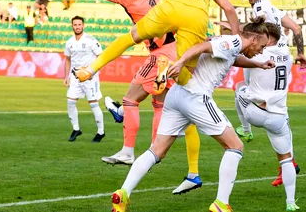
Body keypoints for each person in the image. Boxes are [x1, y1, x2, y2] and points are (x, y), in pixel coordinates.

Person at [54, 0, 240, 195]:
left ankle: (131, 151)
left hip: (162, 53)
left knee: (133, 98)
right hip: (185, 44)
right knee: (175, 103)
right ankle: (192, 172)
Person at [111, 19, 274, 212]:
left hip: (177, 95)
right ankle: (221, 204)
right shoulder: (234, 42)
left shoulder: (231, 46)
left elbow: (232, 58)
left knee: (157, 150)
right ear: (254, 39)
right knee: (235, 146)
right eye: (262, 46)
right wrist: (179, 63)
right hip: (196, 97)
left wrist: (258, 64)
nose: (261, 51)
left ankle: (123, 194)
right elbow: (201, 47)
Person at [231, 0, 306, 188]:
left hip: (265, 54)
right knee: (279, 112)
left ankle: (246, 131)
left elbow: (260, 17)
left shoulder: (262, 6)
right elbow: (297, 29)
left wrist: (254, 20)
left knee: (245, 92)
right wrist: (300, 53)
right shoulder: (275, 7)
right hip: (283, 57)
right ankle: (287, 163)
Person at [232, 21, 300, 211]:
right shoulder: (288, 56)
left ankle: (246, 131)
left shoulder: (260, 53)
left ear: (267, 38)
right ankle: (291, 203)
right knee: (286, 159)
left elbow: (240, 54)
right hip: (278, 117)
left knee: (239, 88)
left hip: (256, 112)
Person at [64, 16, 105, 142]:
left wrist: (93, 71)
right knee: (70, 101)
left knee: (93, 104)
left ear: (83, 26)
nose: (77, 27)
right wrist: (66, 76)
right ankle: (76, 129)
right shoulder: (69, 42)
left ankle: (100, 131)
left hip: (89, 76)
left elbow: (101, 56)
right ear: (72, 26)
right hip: (75, 76)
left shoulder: (90, 40)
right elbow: (67, 59)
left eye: (79, 24)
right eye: (75, 25)